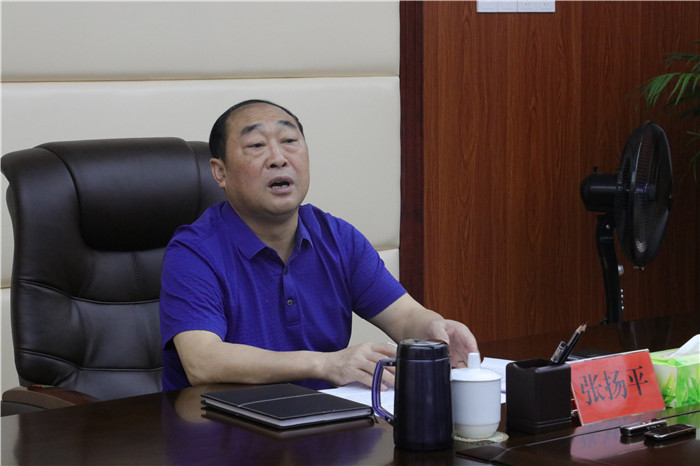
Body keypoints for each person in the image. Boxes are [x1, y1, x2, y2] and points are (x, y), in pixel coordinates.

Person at [159, 99, 478, 391]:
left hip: (325, 423)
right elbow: (201, 361)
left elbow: (405, 317)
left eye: (289, 141)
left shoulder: (338, 238)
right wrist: (326, 364)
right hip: (223, 427)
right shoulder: (194, 252)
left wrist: (435, 329)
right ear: (220, 172)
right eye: (256, 145)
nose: (278, 158)